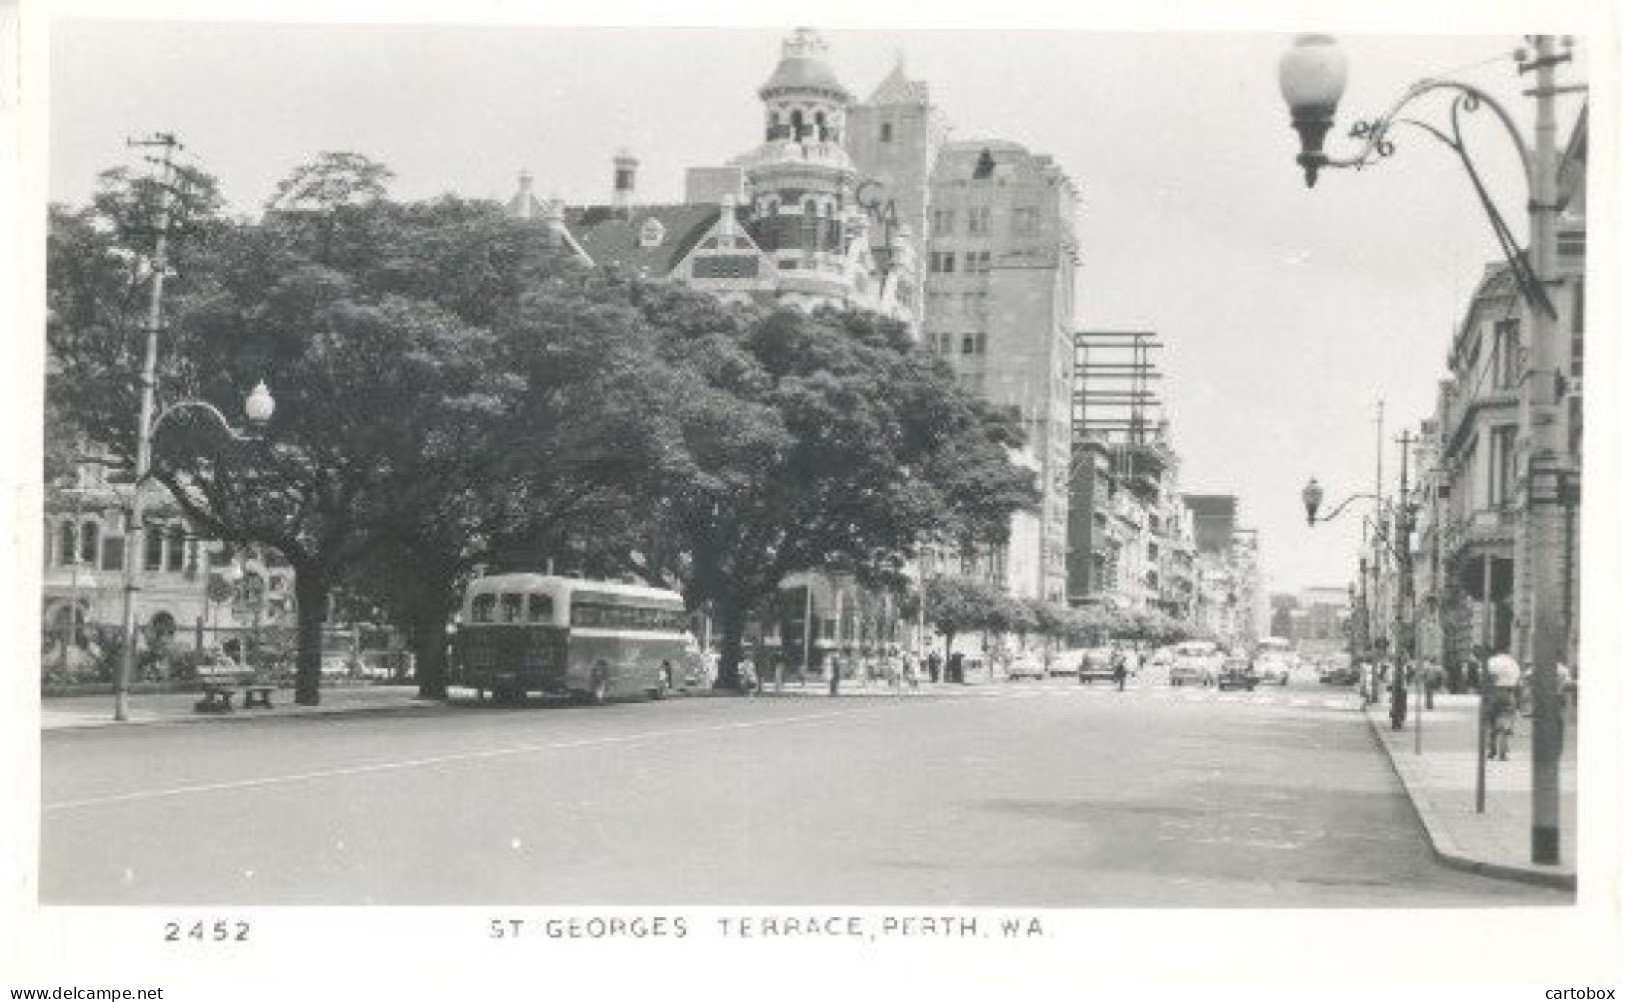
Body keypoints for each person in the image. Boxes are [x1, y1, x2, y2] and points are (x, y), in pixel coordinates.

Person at [1485, 649, 1521, 761]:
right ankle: (1503, 752)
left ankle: (1492, 750)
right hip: (1508, 693)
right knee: (1505, 724)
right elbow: (1518, 682)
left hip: (1493, 693)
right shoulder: (1513, 663)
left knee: (1491, 723)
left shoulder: (1491, 661)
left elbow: (1485, 679)